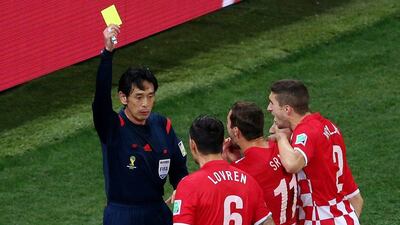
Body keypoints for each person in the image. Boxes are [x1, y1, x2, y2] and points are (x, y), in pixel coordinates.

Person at [92, 24, 188, 225]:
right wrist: (107, 54)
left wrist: (181, 186)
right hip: (122, 215)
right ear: (123, 97)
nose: (145, 104)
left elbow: (179, 169)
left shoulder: (163, 126)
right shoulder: (113, 128)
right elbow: (100, 99)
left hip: (157, 212)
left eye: (150, 96)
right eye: (139, 97)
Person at [267, 79, 363, 225]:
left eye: (272, 103)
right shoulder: (330, 127)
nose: (269, 108)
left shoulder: (307, 130)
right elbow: (356, 198)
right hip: (345, 216)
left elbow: (292, 164)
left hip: (321, 218)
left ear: (287, 109)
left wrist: (281, 138)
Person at [173, 115, 275, 225]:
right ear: (223, 143)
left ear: (193, 145)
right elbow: (267, 222)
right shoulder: (249, 181)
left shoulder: (189, 186)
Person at [223, 101, 297, 225]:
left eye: (228, 124)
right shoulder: (282, 149)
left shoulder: (241, 171)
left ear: (236, 131)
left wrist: (225, 165)